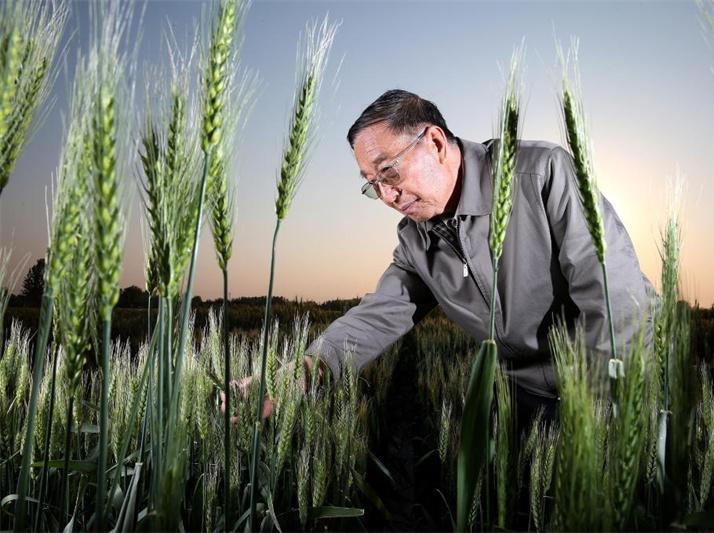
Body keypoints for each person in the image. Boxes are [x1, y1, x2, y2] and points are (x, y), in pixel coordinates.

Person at [231, 89, 658, 427]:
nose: (387, 196)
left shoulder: (540, 173)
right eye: (372, 184)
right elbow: (378, 315)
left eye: (389, 172)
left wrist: (603, 406)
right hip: (519, 392)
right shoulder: (414, 240)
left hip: (612, 381)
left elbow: (613, 296)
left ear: (435, 142)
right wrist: (300, 373)